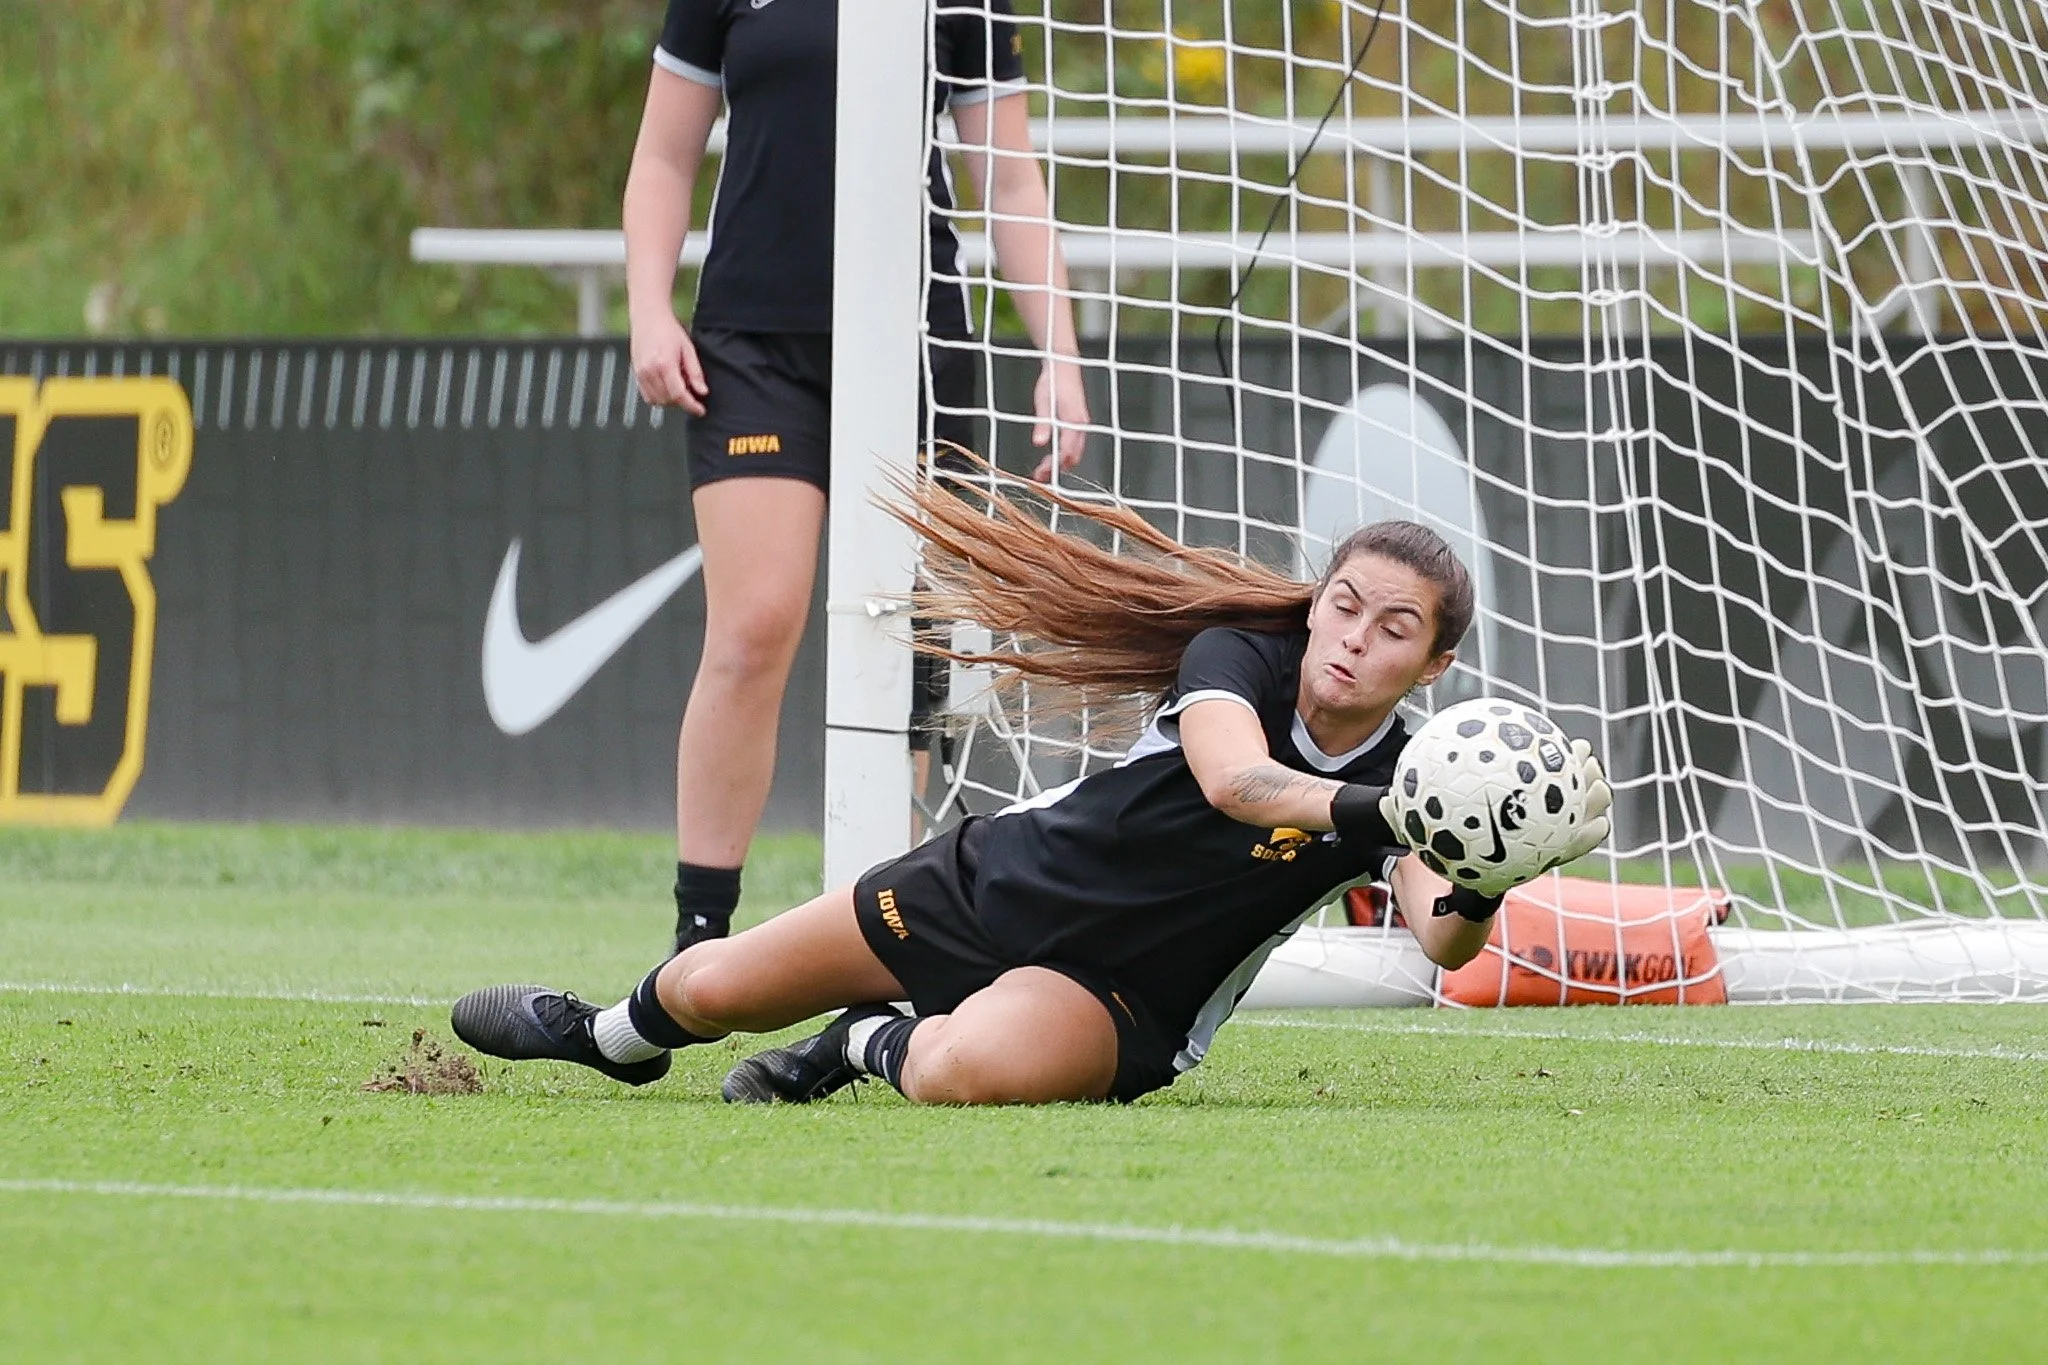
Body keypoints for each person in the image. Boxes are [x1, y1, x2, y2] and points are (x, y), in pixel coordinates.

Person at [451, 468, 1613, 1105]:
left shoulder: (1413, 778)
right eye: (1345, 606)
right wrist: (1390, 814)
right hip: (989, 886)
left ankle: (862, 1045)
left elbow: (1442, 942)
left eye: (1393, 628)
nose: (1355, 639)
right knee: (706, 992)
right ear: (1316, 604)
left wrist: (1491, 864)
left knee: (957, 1071)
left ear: (1434, 663)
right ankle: (604, 1037)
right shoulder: (1236, 658)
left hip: (1119, 999)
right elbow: (1236, 786)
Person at [627, 0, 1091, 953]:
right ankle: (699, 940)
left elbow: (1007, 175)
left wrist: (1062, 356)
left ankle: (885, 931)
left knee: (914, 646)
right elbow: (664, 156)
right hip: (753, 349)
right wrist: (648, 310)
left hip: (916, 343)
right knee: (755, 626)